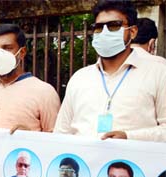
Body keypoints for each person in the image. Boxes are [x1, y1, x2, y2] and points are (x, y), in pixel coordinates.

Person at [54, 0, 166, 142]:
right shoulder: (80, 78)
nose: (105, 32)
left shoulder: (158, 73)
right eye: (99, 27)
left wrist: (129, 136)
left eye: (114, 26)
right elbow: (61, 133)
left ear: (132, 32)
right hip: (84, 162)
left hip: (132, 162)